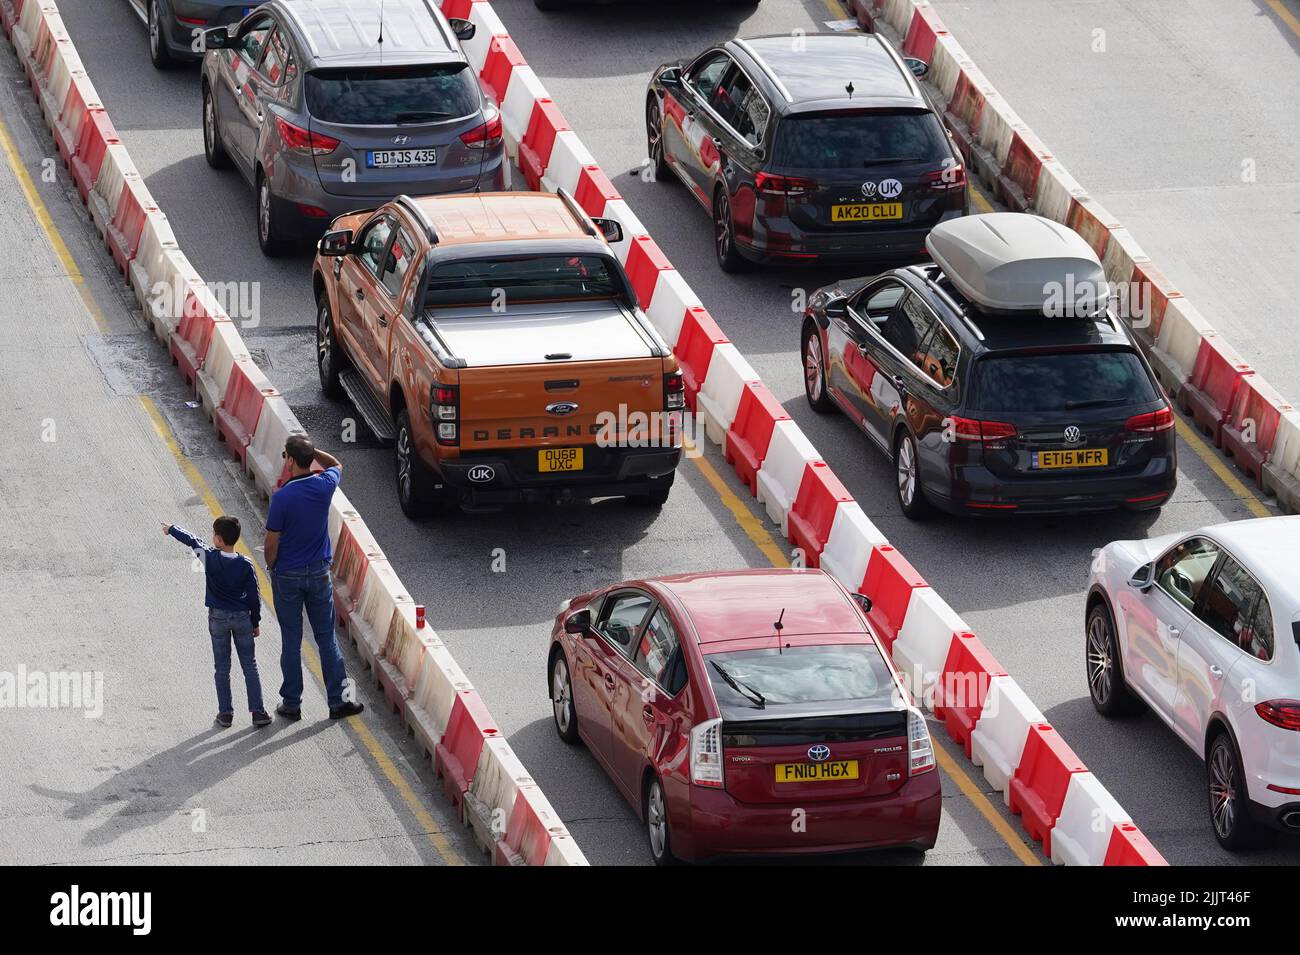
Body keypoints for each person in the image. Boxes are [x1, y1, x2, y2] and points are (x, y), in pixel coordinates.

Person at [265, 435, 364, 721]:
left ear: (290, 461)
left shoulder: (282, 497)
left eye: (287, 456)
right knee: (326, 638)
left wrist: (272, 566)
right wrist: (310, 450)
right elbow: (336, 463)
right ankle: (338, 701)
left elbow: (272, 542)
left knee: (291, 639)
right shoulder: (324, 485)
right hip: (319, 574)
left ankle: (292, 703)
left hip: (288, 576)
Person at [162, 516, 271, 729]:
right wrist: (255, 622)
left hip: (218, 618)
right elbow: (254, 597)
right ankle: (258, 711)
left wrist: (171, 529)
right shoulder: (246, 565)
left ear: (219, 539)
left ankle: (226, 713)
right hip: (242, 619)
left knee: (222, 667)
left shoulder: (209, 558)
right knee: (250, 664)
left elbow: (192, 541)